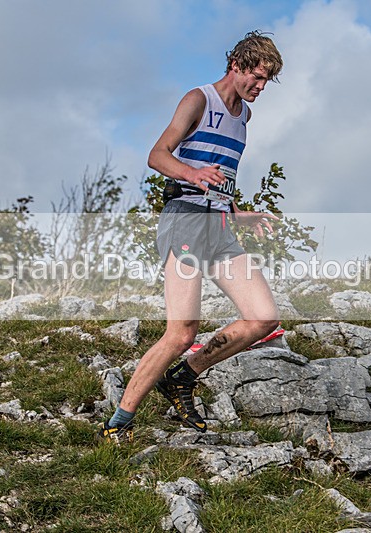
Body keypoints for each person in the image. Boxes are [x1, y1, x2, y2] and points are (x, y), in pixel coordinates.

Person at [101, 31, 284, 443]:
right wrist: (191, 173)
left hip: (218, 225)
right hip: (184, 218)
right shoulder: (198, 100)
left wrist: (239, 212)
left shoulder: (245, 117)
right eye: (255, 76)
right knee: (181, 331)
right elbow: (158, 154)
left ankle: (183, 376)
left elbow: (220, 174)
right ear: (236, 65)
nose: (259, 87)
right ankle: (118, 423)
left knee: (263, 317)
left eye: (266, 81)